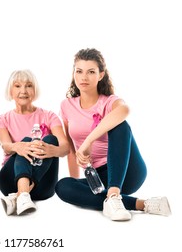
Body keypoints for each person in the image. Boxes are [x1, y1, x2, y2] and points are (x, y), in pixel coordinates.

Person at [55, 48, 171, 221]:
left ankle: (115, 193)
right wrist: (77, 183)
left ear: (101, 75)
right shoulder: (66, 106)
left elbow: (125, 110)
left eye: (91, 72)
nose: (83, 77)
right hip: (97, 176)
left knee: (120, 126)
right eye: (79, 71)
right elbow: (72, 150)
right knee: (63, 186)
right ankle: (141, 204)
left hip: (126, 171)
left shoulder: (109, 102)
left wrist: (88, 141)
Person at [0, 70, 69, 215]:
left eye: (29, 86)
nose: (23, 91)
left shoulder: (49, 116)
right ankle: (22, 194)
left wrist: (52, 150)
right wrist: (20, 146)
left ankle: (20, 196)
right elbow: (6, 146)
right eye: (17, 86)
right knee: (28, 141)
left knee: (51, 140)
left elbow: (65, 147)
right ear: (10, 90)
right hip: (10, 181)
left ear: (35, 90)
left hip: (43, 184)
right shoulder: (2, 119)